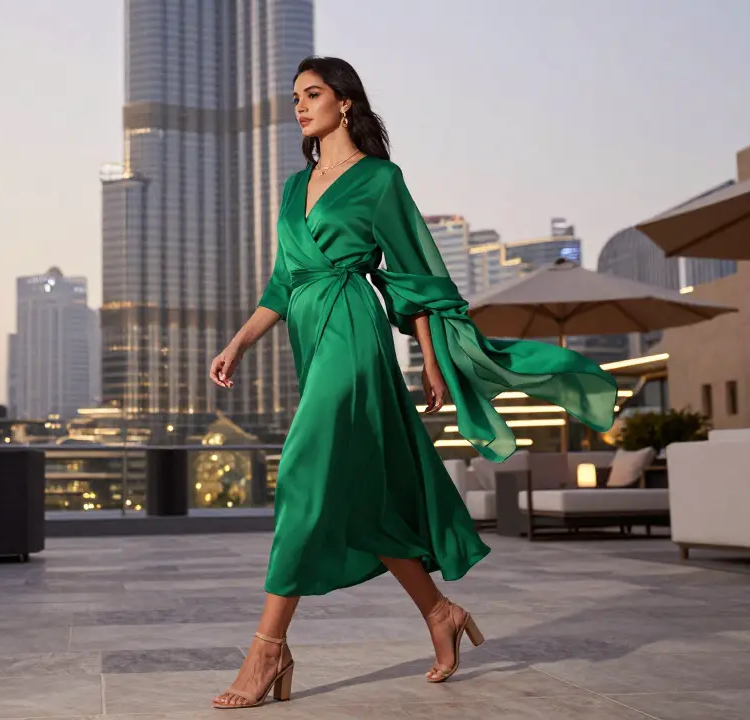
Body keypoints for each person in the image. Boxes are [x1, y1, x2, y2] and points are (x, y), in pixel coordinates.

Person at [207, 56, 617, 710]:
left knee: (303, 474)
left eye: (312, 94)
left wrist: (426, 356)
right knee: (362, 491)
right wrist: (237, 342)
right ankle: (439, 612)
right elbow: (283, 285)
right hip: (307, 337)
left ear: (345, 103)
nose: (300, 106)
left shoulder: (379, 180)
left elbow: (414, 277)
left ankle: (268, 649)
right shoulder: (293, 188)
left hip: (352, 332)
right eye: (294, 98)